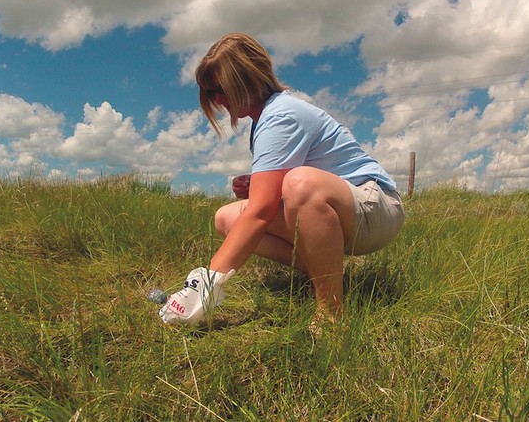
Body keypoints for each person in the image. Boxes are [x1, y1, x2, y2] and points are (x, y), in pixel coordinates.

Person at [159, 33, 404, 327]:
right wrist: (260, 184)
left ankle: (331, 313)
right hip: (347, 207)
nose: (218, 100)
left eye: (220, 89)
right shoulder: (266, 118)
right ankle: (329, 275)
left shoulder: (280, 115)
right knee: (226, 218)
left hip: (376, 207)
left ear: (247, 81)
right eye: (210, 94)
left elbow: (263, 210)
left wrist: (207, 283)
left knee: (299, 185)